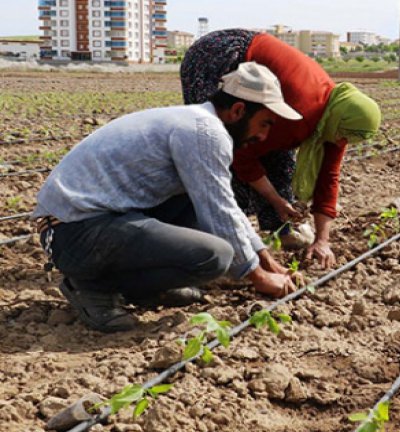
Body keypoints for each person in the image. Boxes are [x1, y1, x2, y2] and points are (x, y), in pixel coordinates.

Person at [32, 62, 304, 333]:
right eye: (264, 123)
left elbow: (224, 204)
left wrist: (268, 262)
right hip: (72, 231)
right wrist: (256, 276)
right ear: (238, 111)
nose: (264, 135)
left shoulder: (197, 122)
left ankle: (142, 291)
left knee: (192, 209)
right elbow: (219, 211)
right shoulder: (206, 133)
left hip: (86, 223)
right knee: (216, 256)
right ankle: (92, 287)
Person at [181, 29, 382, 269]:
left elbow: (329, 178)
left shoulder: (335, 117)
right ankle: (222, 238)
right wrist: (275, 200)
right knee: (223, 143)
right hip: (218, 55)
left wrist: (322, 240)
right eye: (344, 135)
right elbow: (242, 156)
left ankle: (278, 230)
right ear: (341, 122)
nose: (342, 142)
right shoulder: (304, 114)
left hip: (254, 61)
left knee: (281, 160)